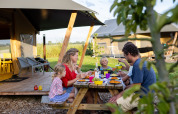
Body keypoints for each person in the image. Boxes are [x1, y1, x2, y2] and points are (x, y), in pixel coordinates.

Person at [108, 42, 156, 112]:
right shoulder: (141, 62)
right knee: (123, 91)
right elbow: (137, 84)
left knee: (111, 104)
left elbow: (136, 87)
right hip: (147, 94)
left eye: (125, 55)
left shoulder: (137, 65)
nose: (125, 58)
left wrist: (118, 95)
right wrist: (128, 87)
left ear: (129, 54)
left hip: (142, 97)